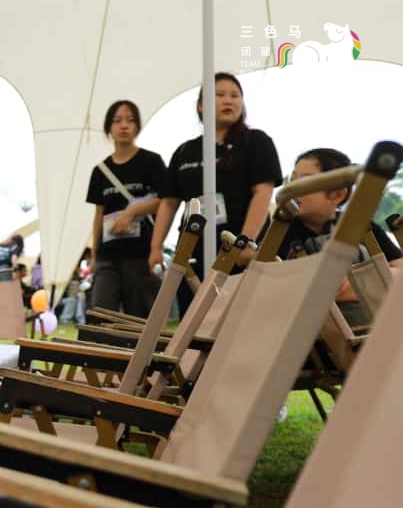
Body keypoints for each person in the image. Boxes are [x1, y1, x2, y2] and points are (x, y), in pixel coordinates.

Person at [149, 72, 282, 310]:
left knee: (240, 318)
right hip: (193, 251)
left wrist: (246, 242)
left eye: (235, 95)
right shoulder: (185, 151)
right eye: (219, 95)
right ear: (201, 105)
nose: (228, 100)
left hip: (239, 252)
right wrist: (156, 247)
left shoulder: (255, 142)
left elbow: (263, 192)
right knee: (194, 319)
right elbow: (168, 202)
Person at [277, 148, 403, 326]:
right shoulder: (280, 231)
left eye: (305, 182)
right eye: (292, 180)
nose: (294, 189)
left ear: (338, 195)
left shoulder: (361, 225)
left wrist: (360, 282)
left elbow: (399, 268)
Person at [85, 100, 167, 317]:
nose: (124, 126)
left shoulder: (151, 162)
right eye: (117, 121)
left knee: (138, 319)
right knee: (100, 314)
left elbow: (165, 201)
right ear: (108, 128)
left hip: (141, 254)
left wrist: (131, 212)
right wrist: (95, 255)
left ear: (137, 126)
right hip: (108, 255)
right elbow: (98, 214)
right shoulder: (100, 171)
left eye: (130, 120)